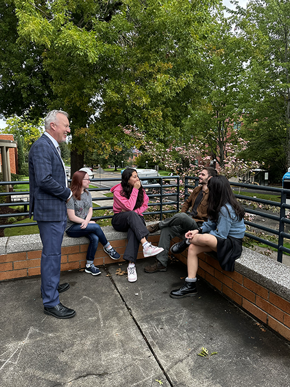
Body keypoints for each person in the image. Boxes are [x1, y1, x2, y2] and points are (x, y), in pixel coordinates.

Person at [29, 110, 75, 319]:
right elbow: (44, 179)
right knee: (52, 255)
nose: (68, 129)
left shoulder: (49, 146)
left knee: (53, 253)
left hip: (53, 211)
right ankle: (50, 302)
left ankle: (51, 287)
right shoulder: (42, 146)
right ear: (53, 126)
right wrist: (67, 193)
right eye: (65, 125)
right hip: (49, 212)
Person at [170, 175, 246, 299]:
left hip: (231, 244)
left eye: (210, 189)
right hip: (222, 240)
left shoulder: (226, 209)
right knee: (193, 248)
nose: (207, 191)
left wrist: (201, 235)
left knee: (205, 238)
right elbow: (211, 223)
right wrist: (197, 231)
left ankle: (186, 242)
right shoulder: (218, 204)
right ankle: (190, 285)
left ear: (216, 191)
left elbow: (221, 235)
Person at [144, 167, 218, 273]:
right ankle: (161, 263)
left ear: (210, 178)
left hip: (199, 226)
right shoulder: (197, 190)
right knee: (167, 230)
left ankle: (157, 225)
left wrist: (182, 217)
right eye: (200, 174)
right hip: (189, 222)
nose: (199, 176)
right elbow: (187, 202)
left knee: (182, 217)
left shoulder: (213, 194)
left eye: (202, 174)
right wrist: (182, 216)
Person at [111, 168, 164, 282]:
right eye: (134, 177)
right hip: (119, 219)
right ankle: (146, 245)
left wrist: (133, 214)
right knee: (132, 216)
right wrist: (135, 190)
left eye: (137, 176)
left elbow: (145, 204)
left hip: (135, 219)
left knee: (133, 228)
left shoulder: (141, 189)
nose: (137, 179)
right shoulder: (118, 191)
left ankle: (131, 265)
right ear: (127, 178)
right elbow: (129, 207)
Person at [66, 170, 120, 275]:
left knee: (95, 238)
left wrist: (86, 222)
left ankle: (89, 265)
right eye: (87, 179)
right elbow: (71, 217)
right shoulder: (70, 196)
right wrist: (87, 222)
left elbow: (90, 210)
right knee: (95, 226)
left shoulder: (87, 193)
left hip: (84, 224)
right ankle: (108, 247)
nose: (89, 181)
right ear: (80, 181)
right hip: (72, 227)